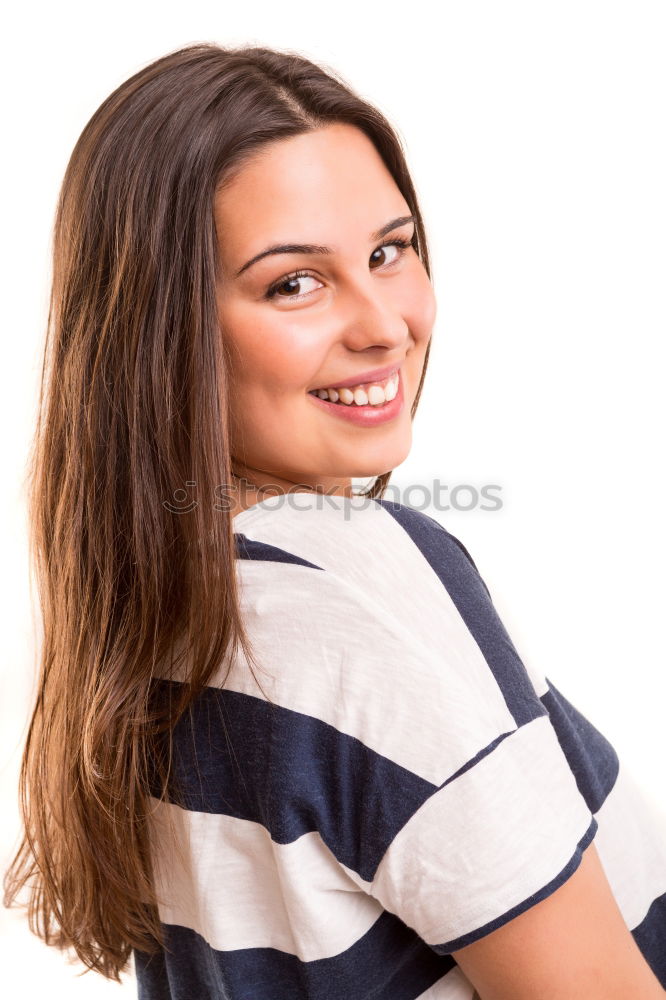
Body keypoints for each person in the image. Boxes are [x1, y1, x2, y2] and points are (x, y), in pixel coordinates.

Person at [4, 40, 666, 1000]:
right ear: (162, 328)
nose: (385, 325)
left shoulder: (138, 619)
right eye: (294, 282)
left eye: (388, 253)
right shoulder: (362, 579)